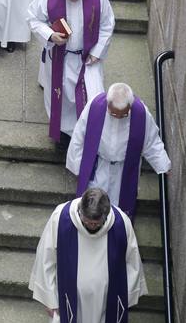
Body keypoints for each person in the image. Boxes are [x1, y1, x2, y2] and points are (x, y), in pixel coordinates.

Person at [29, 187, 147, 323]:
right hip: (69, 304)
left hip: (105, 307)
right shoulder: (61, 217)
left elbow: (132, 262)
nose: (92, 226)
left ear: (105, 215)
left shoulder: (121, 223)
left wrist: (122, 301)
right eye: (88, 221)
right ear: (80, 211)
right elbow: (46, 256)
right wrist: (48, 296)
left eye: (96, 223)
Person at [28, 0, 115, 142]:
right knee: (62, 99)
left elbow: (107, 24)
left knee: (92, 97)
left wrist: (97, 51)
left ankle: (87, 135)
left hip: (88, 58)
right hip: (61, 56)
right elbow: (33, 18)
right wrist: (50, 35)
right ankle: (63, 134)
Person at [67, 83, 171, 220]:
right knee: (92, 204)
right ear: (108, 103)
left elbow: (152, 142)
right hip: (98, 166)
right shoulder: (95, 107)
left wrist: (163, 165)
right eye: (113, 113)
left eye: (123, 115)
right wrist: (78, 166)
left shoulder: (141, 113)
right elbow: (79, 135)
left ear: (130, 106)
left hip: (124, 170)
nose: (117, 117)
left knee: (118, 209)